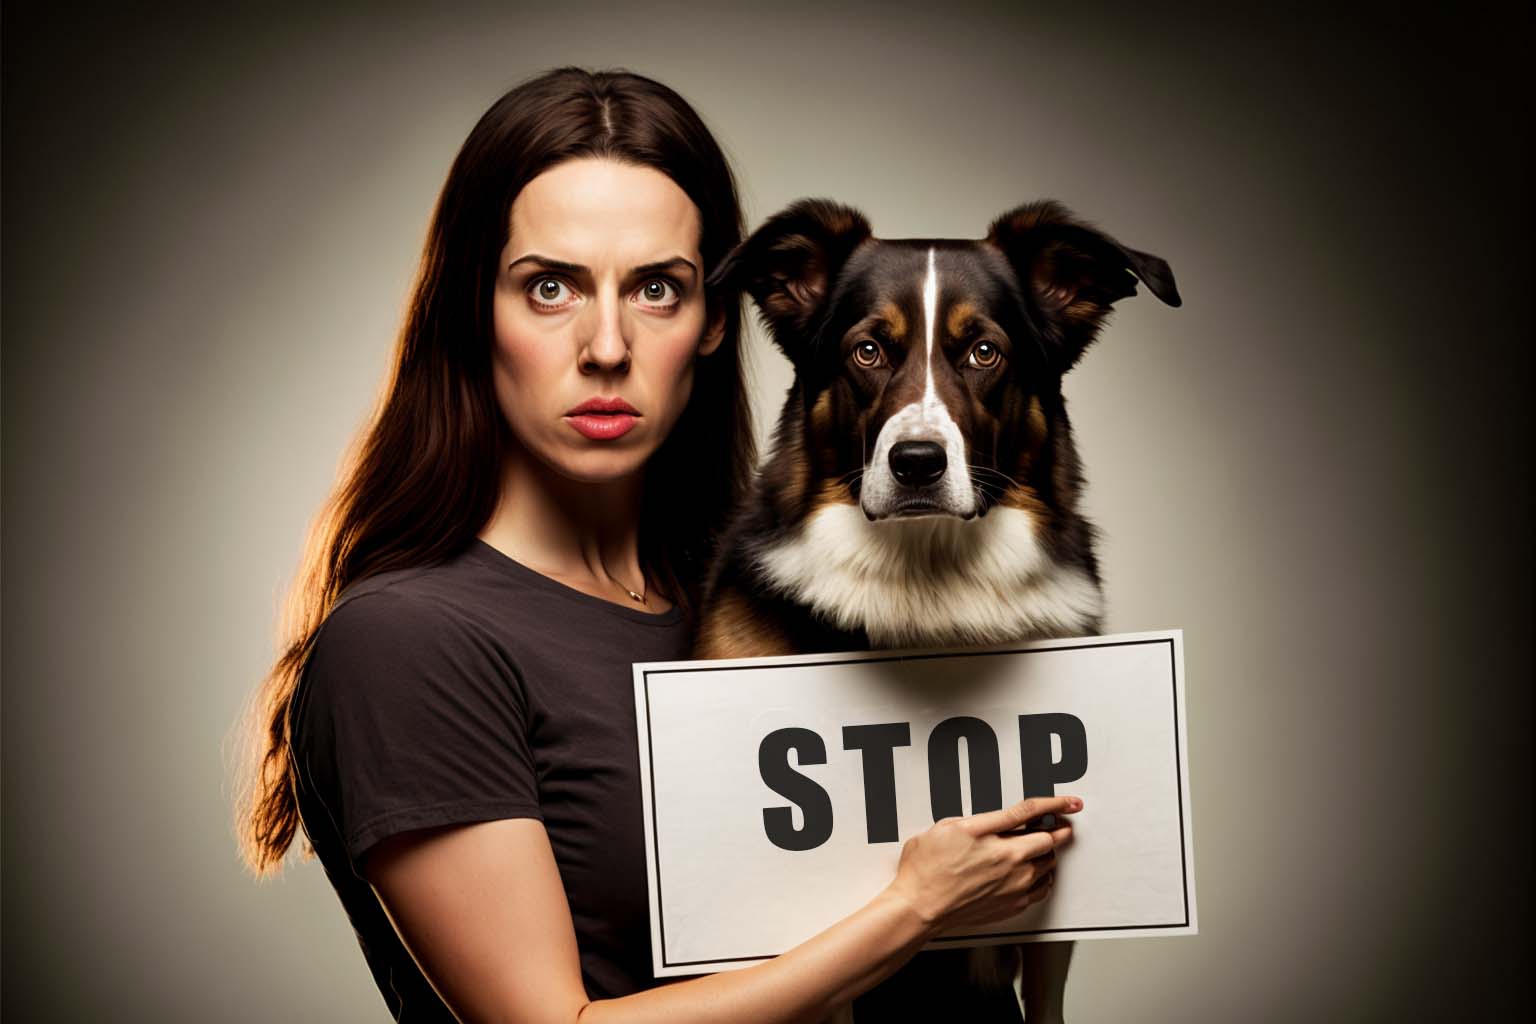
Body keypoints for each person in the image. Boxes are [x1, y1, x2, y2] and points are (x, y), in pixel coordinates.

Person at [232, 65, 1080, 1023]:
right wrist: (917, 906)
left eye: (657, 289)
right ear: (476, 313)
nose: (605, 345)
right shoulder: (407, 643)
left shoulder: (753, 607)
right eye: (549, 286)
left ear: (718, 319)